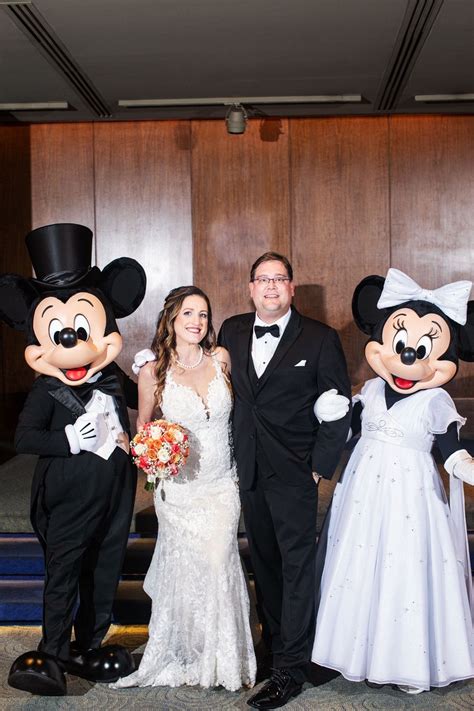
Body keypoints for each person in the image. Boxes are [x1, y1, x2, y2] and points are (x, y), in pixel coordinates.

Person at [312, 269, 474, 694]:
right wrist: (330, 414)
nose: (407, 358)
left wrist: (466, 467)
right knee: (359, 567)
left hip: (412, 499)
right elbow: (346, 433)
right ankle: (354, 654)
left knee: (406, 568)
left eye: (421, 350)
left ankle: (407, 661)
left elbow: (450, 450)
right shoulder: (368, 390)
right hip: (363, 494)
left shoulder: (436, 400)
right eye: (400, 346)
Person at [218, 252, 352, 709]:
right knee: (265, 563)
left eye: (279, 279)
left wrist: (319, 465)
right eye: (262, 279)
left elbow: (338, 408)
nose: (271, 286)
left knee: (296, 568)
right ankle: (275, 648)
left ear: (292, 289)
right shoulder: (231, 331)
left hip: (295, 472)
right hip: (248, 468)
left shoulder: (320, 338)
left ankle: (291, 669)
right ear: (251, 288)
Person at [112, 285, 257, 692]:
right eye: (188, 314)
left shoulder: (222, 359)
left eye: (204, 315)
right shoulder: (152, 371)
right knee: (188, 572)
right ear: (172, 321)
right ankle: (192, 653)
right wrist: (150, 453)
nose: (197, 322)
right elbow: (145, 428)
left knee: (218, 562)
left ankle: (224, 659)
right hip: (178, 491)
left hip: (220, 485)